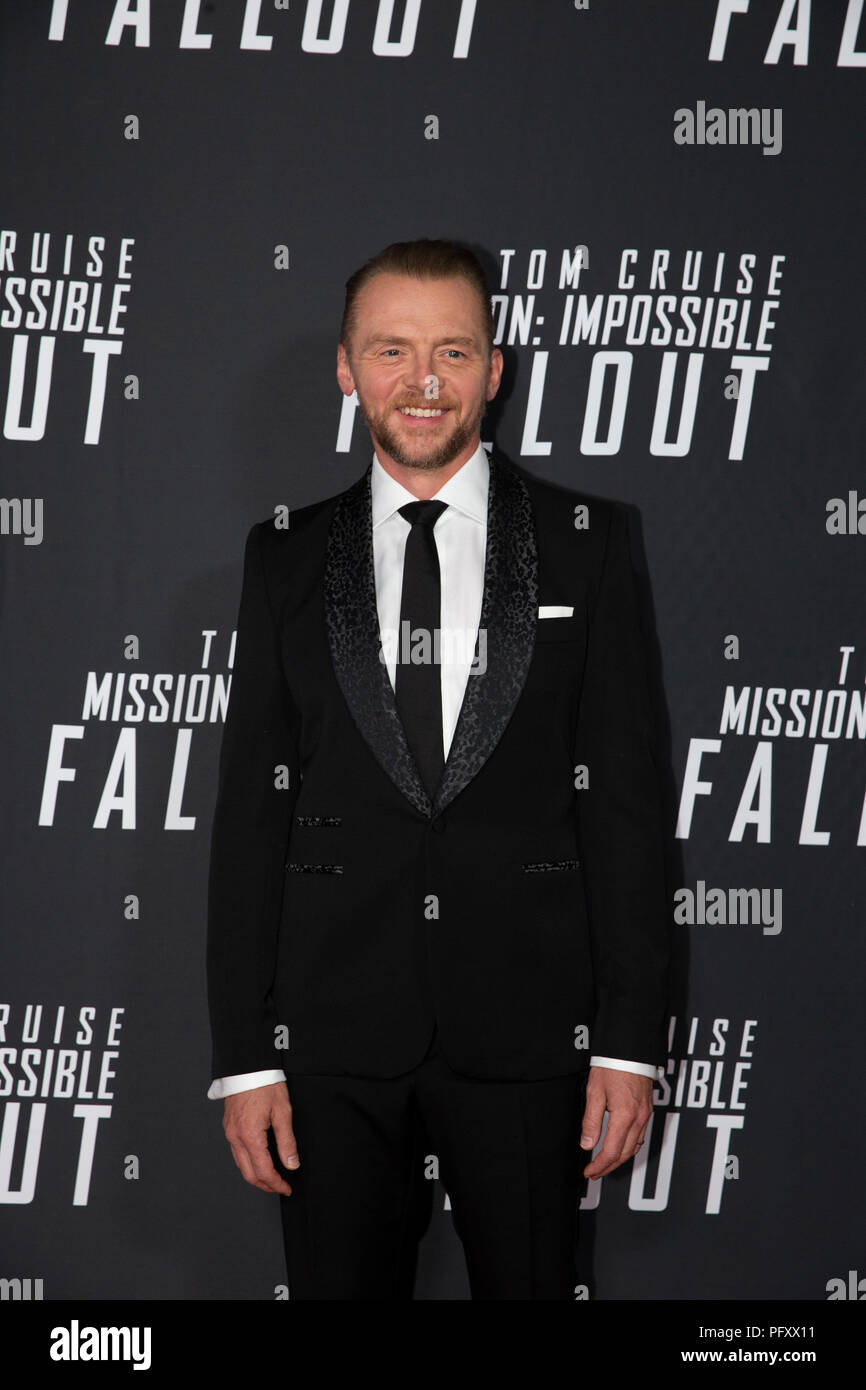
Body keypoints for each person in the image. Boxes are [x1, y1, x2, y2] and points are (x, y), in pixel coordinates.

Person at [206, 238, 670, 1300]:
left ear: (493, 369)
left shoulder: (586, 542)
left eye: (451, 351)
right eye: (391, 350)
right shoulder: (282, 555)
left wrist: (628, 1043)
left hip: (529, 1031)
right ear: (344, 367)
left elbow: (629, 810)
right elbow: (250, 821)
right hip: (327, 1041)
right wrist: (246, 1054)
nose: (422, 381)